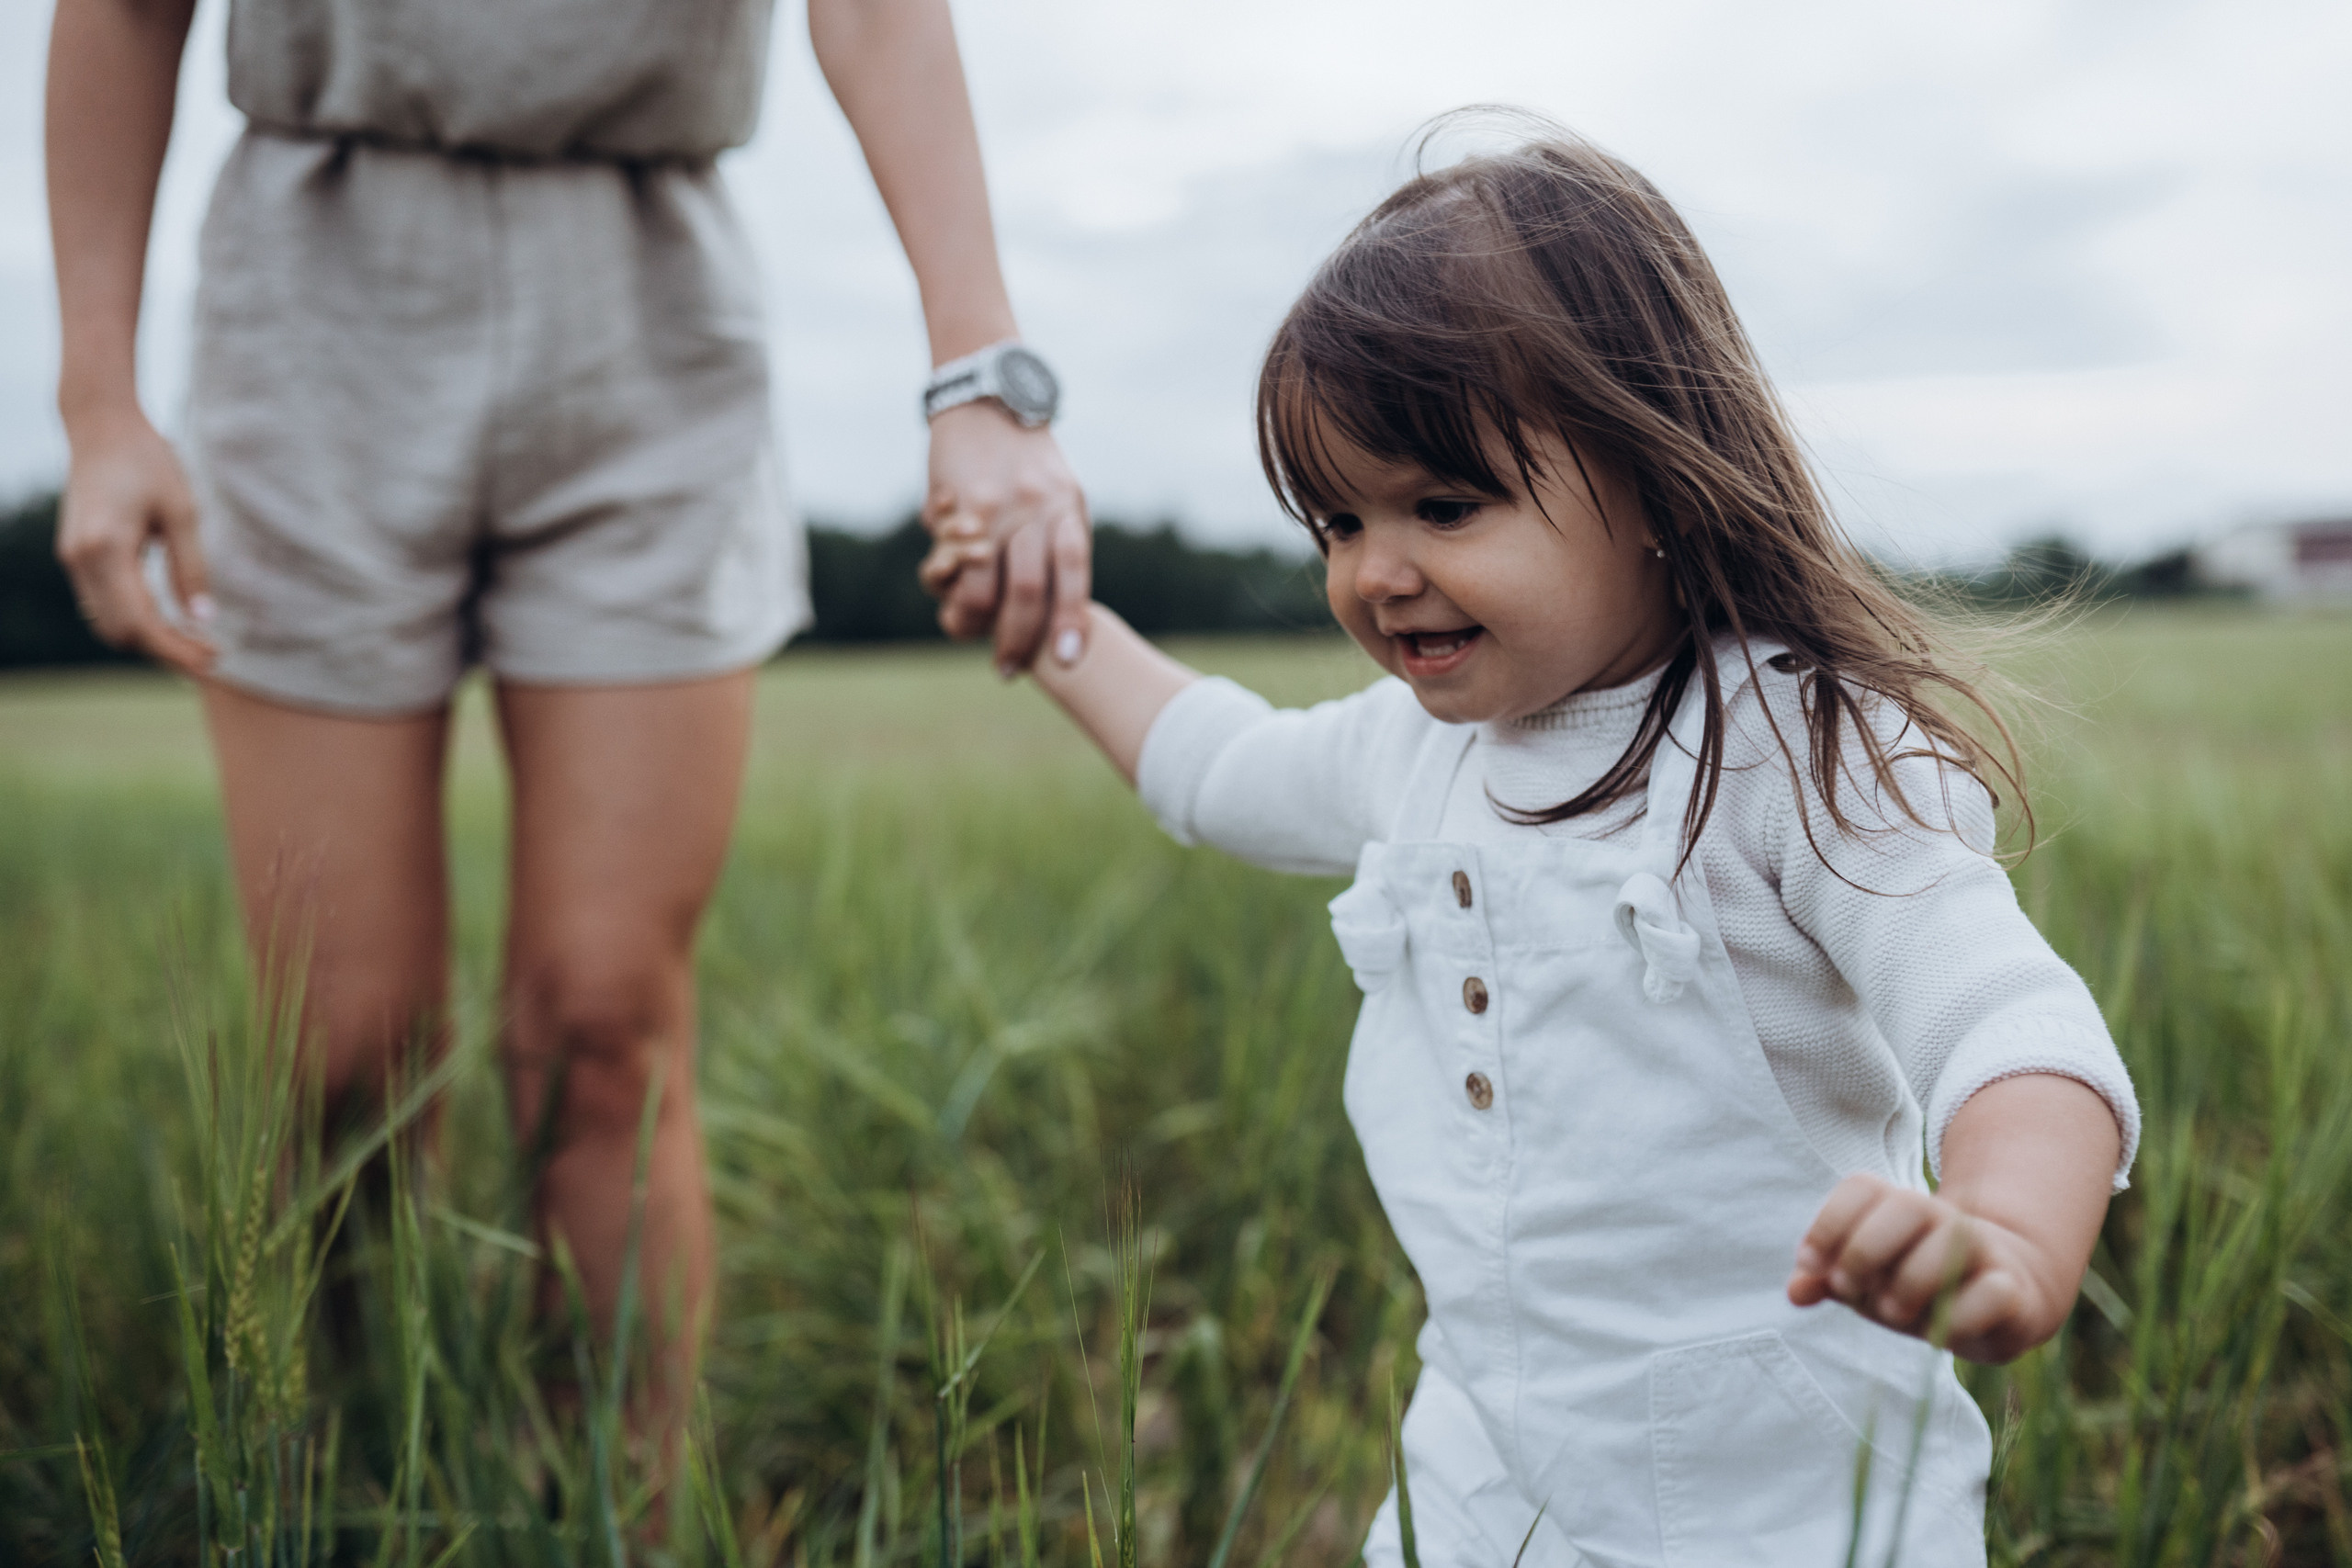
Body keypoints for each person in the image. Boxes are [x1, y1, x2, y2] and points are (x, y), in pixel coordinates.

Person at [980, 130, 2140, 1564]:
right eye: (1338, 521)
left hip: (1788, 1501)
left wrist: (2011, 1231)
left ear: (1655, 474)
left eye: (1443, 506)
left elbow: (2004, 1014)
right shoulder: (1416, 751)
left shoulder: (1792, 750)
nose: (1374, 571)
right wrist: (1055, 627)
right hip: (1485, 1476)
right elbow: (1213, 767)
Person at [46, 0, 1090, 1460]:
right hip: (318, 279)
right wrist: (100, 402)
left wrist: (980, 371)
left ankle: (615, 1511)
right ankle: (351, 1487)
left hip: (646, 289)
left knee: (605, 1024)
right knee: (344, 1052)